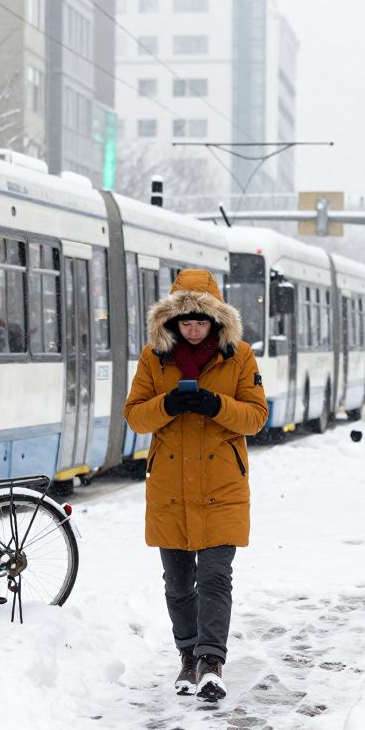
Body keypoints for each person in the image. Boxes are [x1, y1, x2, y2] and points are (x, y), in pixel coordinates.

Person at [123, 270, 268, 703]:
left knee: (216, 577)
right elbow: (134, 416)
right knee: (178, 583)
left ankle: (211, 662)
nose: (191, 329)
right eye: (184, 321)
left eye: (200, 321)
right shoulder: (154, 358)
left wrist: (216, 405)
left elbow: (257, 416)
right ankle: (187, 657)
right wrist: (166, 405)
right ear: (170, 321)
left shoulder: (239, 356)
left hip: (222, 486)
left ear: (216, 321)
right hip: (170, 488)